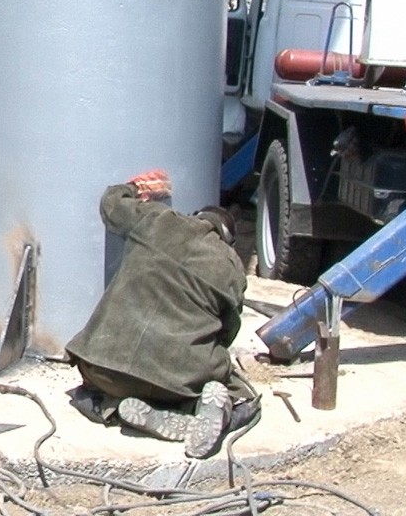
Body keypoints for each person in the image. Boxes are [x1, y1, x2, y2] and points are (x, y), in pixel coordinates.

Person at [64, 169, 259, 459]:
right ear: (227, 239)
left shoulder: (157, 220)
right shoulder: (231, 265)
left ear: (195, 215)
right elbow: (228, 332)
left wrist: (135, 186)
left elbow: (110, 203)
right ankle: (202, 411)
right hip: (178, 383)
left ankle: (118, 409)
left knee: (88, 396)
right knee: (243, 395)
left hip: (103, 369)